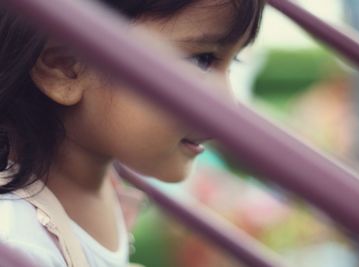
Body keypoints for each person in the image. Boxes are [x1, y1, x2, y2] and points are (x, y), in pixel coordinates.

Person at [0, 0, 264, 266]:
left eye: (235, 60)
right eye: (202, 59)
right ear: (66, 68)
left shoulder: (101, 178)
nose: (230, 104)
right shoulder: (18, 245)